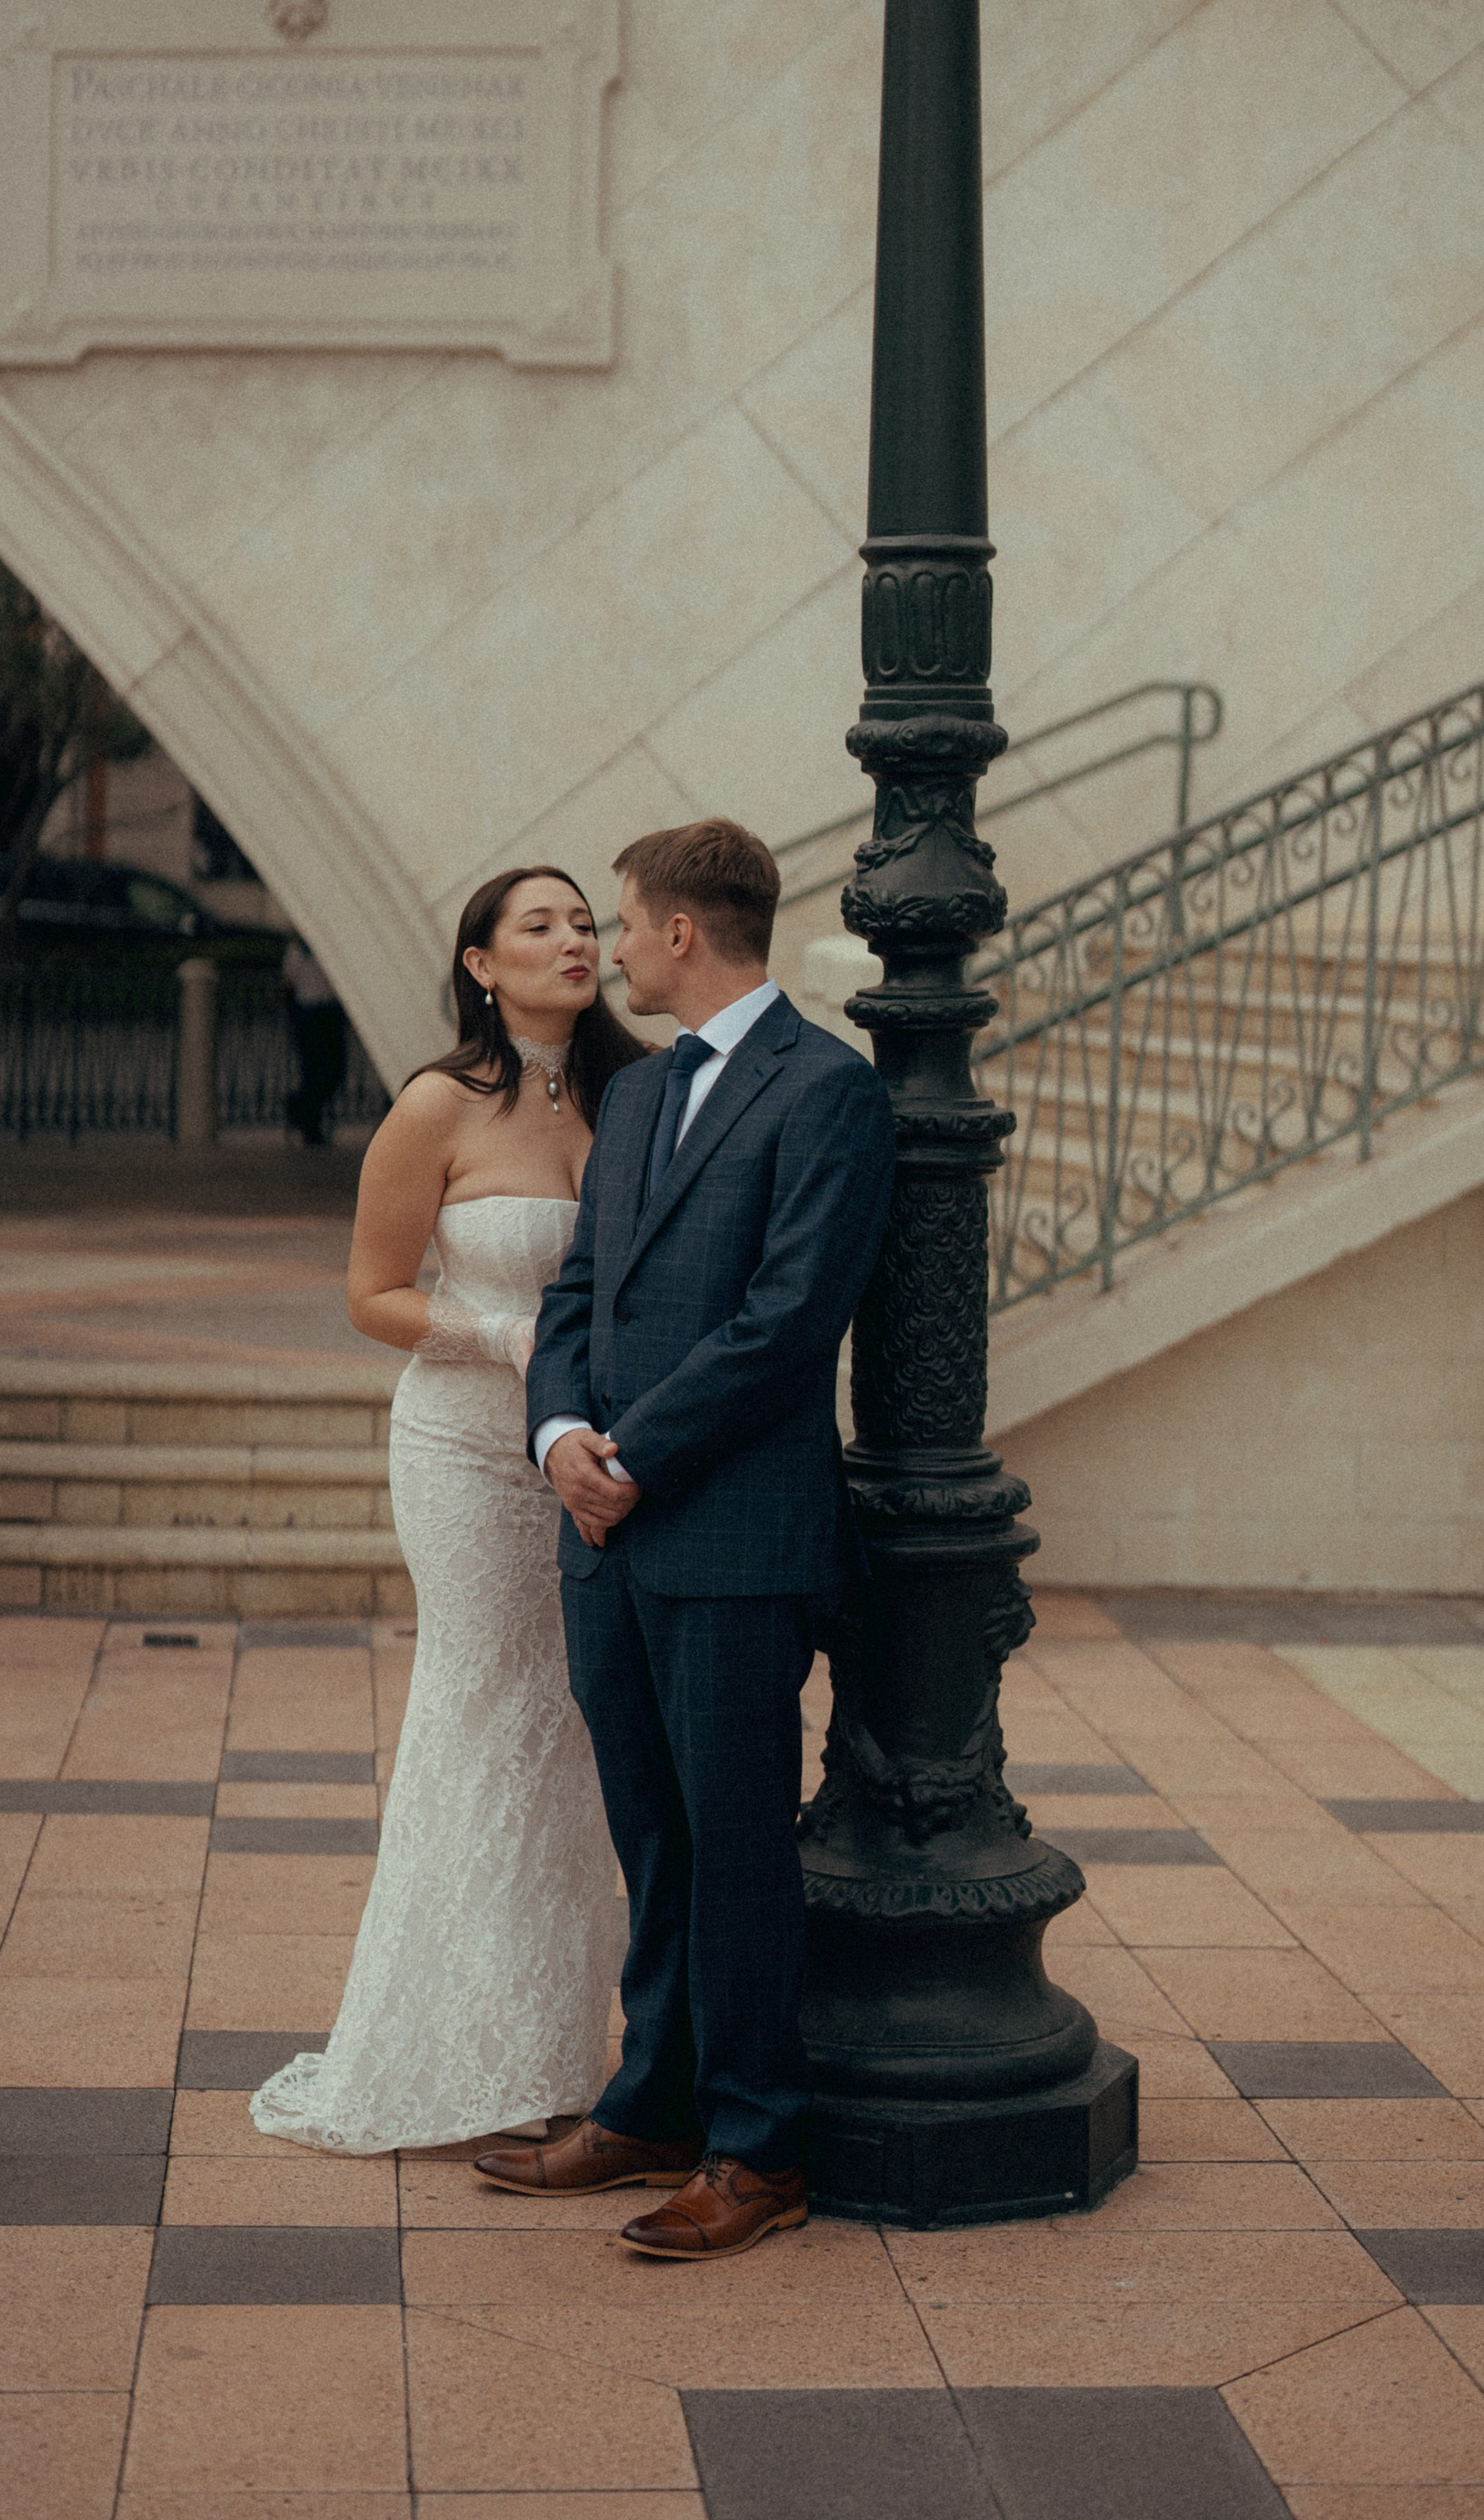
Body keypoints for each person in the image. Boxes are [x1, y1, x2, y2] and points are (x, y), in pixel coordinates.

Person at [476, 818, 895, 2260]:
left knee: (735, 1849)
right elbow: (581, 1290)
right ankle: (648, 2100)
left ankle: (757, 2143)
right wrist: (558, 1442)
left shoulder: (829, 1091)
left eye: (624, 923)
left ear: (678, 935)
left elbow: (787, 1326)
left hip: (731, 1539)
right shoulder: (643, 1095)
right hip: (609, 1534)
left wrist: (633, 1456)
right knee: (650, 1838)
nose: (607, 949)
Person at [251, 868, 650, 2153]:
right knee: (490, 1710)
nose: (574, 940)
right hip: (468, 1452)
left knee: (586, 1730)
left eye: (587, 922)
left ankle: (555, 2044)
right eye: (540, 925)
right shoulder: (436, 1103)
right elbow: (373, 1295)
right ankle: (449, 2048)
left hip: (607, 1456)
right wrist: (506, 1333)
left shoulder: (637, 1091)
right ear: (482, 963)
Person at [283, 938, 348, 1146]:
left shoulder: (323, 946)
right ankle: (309, 1121)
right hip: (310, 1013)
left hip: (327, 1012)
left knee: (334, 1068)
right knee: (314, 1070)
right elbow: (289, 980)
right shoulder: (298, 950)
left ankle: (301, 1108)